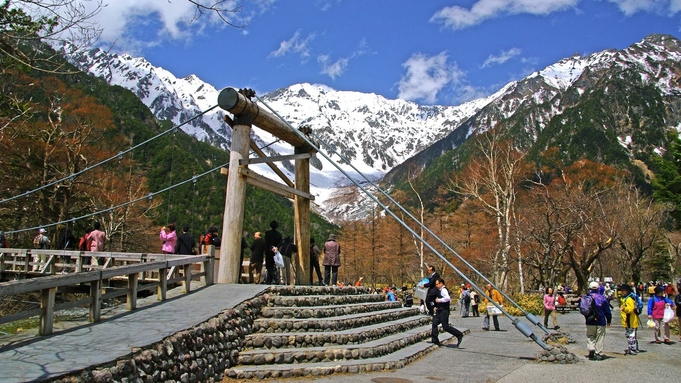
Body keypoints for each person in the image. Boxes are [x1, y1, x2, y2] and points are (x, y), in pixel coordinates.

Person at [430, 278, 464, 347]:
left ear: (441, 283)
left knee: (445, 327)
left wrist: (439, 300)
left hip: (444, 311)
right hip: (440, 310)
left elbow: (448, 299)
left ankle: (459, 334)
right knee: (434, 323)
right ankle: (435, 339)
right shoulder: (440, 290)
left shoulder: (443, 290)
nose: (436, 285)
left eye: (437, 284)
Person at [584, 281, 612, 360]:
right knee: (600, 337)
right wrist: (609, 320)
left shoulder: (586, 297)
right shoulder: (603, 298)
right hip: (601, 320)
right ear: (598, 288)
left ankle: (591, 348)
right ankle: (598, 353)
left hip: (589, 320)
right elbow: (607, 311)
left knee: (590, 336)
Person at [617, 283, 640, 355]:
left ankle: (633, 349)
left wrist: (624, 309)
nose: (621, 292)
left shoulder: (629, 299)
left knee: (631, 335)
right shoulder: (625, 298)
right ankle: (633, 348)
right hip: (628, 320)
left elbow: (630, 309)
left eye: (623, 291)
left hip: (630, 320)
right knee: (629, 334)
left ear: (626, 291)